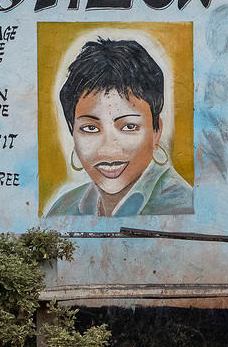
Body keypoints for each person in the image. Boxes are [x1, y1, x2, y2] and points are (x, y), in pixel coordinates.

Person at [43, 36, 194, 218]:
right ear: (73, 132)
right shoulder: (64, 209)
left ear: (156, 131)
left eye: (129, 126)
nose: (109, 149)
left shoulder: (183, 207)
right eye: (90, 128)